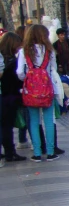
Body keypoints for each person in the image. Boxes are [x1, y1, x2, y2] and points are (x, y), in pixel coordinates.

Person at [16, 25, 63, 162]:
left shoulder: (24, 52)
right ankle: (50, 152)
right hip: (47, 89)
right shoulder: (49, 51)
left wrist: (28, 78)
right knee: (49, 120)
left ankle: (37, 152)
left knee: (34, 120)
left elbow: (19, 72)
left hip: (30, 91)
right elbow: (53, 70)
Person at [0, 32, 27, 163]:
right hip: (9, 97)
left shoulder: (3, 58)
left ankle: (6, 152)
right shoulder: (11, 61)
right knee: (7, 126)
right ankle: (10, 152)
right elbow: (14, 79)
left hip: (4, 95)